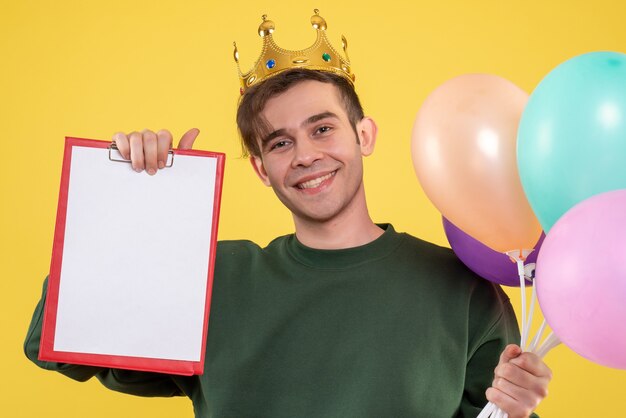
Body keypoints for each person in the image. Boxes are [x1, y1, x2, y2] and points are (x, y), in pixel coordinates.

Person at [25, 11, 551, 418]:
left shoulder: (462, 290)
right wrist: (137, 201)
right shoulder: (211, 278)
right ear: (260, 168)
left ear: (363, 135)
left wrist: (513, 405)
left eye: (323, 128)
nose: (304, 155)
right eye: (280, 142)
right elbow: (53, 337)